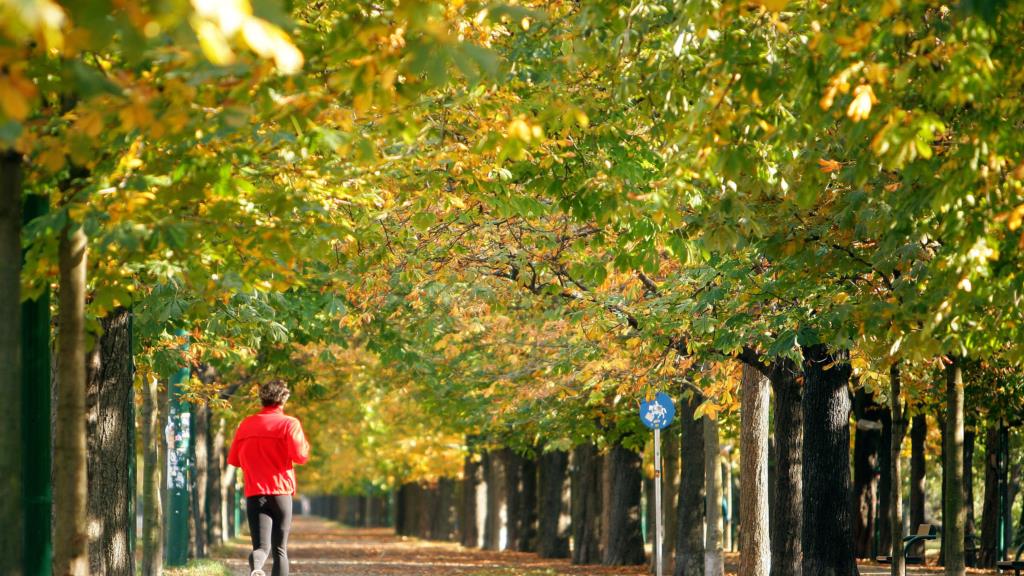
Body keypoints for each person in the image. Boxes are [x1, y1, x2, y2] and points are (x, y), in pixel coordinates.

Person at [228, 380, 310, 576]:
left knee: (261, 547)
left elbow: (234, 459)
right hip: (280, 492)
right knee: (280, 549)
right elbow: (300, 456)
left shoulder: (246, 424)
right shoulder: (289, 424)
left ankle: (257, 569)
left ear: (261, 399)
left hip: (255, 493)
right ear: (283, 399)